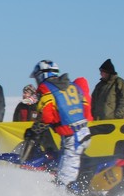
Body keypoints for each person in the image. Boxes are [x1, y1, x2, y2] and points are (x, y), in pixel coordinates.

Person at [30, 60, 92, 188]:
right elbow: (86, 108)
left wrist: (34, 130)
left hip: (73, 138)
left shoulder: (47, 89)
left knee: (64, 181)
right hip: (82, 132)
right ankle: (82, 190)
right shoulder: (71, 86)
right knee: (62, 166)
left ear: (42, 75)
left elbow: (46, 117)